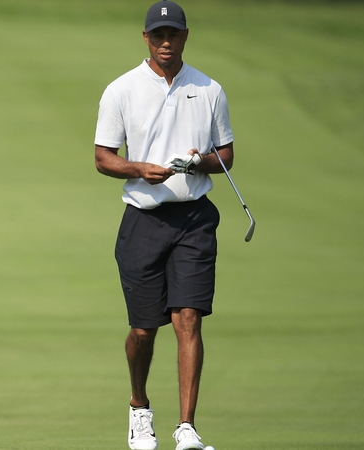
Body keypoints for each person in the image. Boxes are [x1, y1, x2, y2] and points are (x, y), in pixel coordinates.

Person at [93, 2, 234, 450]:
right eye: (158, 35)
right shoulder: (122, 90)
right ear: (146, 38)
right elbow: (102, 157)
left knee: (188, 319)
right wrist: (138, 169)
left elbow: (226, 156)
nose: (166, 43)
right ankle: (139, 409)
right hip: (143, 220)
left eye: (173, 34)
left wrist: (199, 161)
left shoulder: (209, 88)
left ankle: (187, 428)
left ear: (186, 36)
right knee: (143, 330)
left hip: (194, 220)